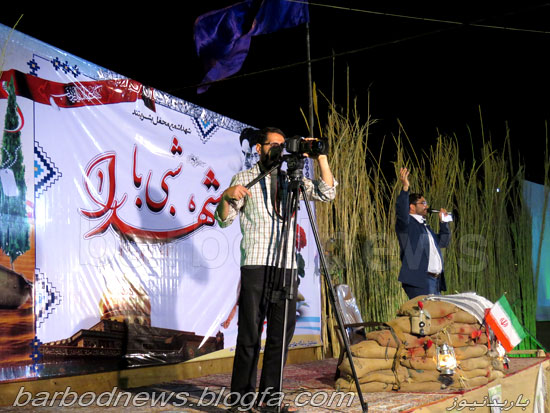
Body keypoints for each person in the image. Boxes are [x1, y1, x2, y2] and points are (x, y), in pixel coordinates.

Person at [215, 127, 336, 412]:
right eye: (274, 145)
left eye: (283, 145)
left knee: (280, 338)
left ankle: (270, 401)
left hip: (286, 267)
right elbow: (223, 220)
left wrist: (320, 157)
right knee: (249, 336)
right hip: (256, 265)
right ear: (259, 148)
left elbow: (327, 193)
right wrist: (225, 196)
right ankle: (241, 400)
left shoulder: (291, 179)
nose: (279, 150)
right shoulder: (243, 178)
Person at [396, 167, 451, 299]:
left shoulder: (425, 228)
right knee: (424, 312)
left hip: (435, 282)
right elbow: (401, 212)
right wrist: (405, 188)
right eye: (423, 203)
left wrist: (444, 223)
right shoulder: (407, 224)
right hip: (419, 281)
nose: (427, 206)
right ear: (412, 206)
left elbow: (443, 242)